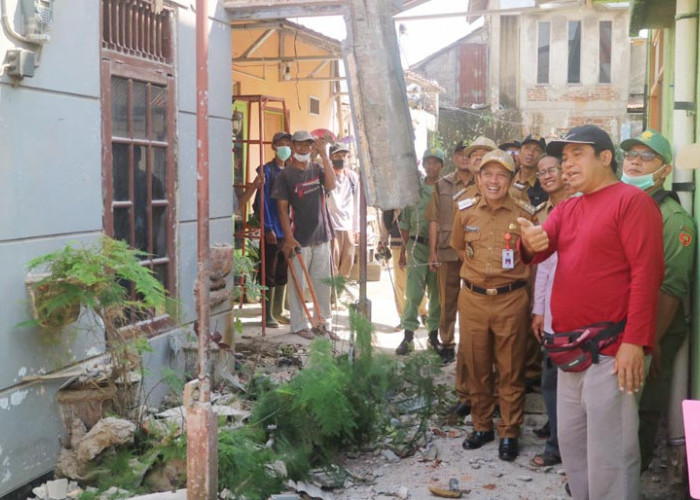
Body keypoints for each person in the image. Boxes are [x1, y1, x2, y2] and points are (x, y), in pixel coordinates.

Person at [518, 125, 665, 499]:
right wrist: (529, 240)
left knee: (611, 456)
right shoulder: (568, 207)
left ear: (604, 157)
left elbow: (647, 275)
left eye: (576, 155)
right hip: (568, 351)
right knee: (574, 448)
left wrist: (635, 342)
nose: (566, 165)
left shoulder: (632, 203)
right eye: (564, 158)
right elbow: (540, 247)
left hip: (611, 351)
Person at [451, 149, 538, 462]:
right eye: (487, 174)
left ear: (512, 180)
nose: (493, 180)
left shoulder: (525, 214)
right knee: (476, 365)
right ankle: (482, 425)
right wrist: (480, 278)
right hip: (472, 299)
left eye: (501, 175)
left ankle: (510, 431)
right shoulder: (464, 210)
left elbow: (533, 255)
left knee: (510, 369)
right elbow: (461, 248)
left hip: (510, 299)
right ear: (478, 178)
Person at [619, 130, 696, 472]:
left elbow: (669, 291)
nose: (634, 161)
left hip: (654, 331)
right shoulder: (621, 203)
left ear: (664, 171)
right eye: (631, 155)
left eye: (645, 157)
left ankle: (630, 478)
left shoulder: (673, 220)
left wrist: (651, 341)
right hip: (623, 328)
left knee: (641, 409)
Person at [272, 130, 336, 339]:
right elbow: (282, 209)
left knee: (323, 284)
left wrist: (325, 155)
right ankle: (299, 324)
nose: (303, 148)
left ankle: (322, 322)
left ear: (311, 147)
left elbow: (331, 185)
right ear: (293, 146)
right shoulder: (285, 175)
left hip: (322, 235)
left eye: (307, 145)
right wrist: (288, 238)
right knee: (298, 283)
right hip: (298, 238)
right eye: (299, 144)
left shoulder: (317, 169)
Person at [529, 155, 569, 468]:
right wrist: (538, 310)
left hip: (582, 317)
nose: (546, 176)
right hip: (552, 316)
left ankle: (570, 448)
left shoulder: (583, 205)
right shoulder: (544, 214)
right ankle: (556, 444)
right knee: (550, 382)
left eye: (551, 169)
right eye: (541, 173)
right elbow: (543, 265)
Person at [395, 147, 444, 355]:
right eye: (428, 162)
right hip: (416, 246)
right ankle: (408, 337)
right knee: (413, 293)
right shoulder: (414, 191)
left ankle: (434, 336)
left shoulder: (446, 189)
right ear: (423, 165)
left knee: (437, 294)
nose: (431, 166)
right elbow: (404, 222)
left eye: (436, 162)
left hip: (441, 249)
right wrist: (404, 251)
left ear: (442, 165)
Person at [252, 131, 292, 328]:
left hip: (288, 231)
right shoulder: (266, 171)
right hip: (273, 229)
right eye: (282, 144)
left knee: (283, 270)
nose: (286, 147)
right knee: (269, 270)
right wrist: (268, 227)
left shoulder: (291, 171)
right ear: (274, 146)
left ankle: (278, 310)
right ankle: (267, 313)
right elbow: (261, 203)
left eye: (288, 144)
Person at [379, 209, 428, 330]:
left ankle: (423, 312)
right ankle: (404, 316)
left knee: (420, 280)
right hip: (398, 241)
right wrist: (382, 241)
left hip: (418, 242)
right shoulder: (392, 198)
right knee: (400, 283)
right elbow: (386, 219)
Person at [327, 142, 360, 281]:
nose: (341, 159)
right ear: (331, 157)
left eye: (343, 155)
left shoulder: (352, 178)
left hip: (348, 226)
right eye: (337, 155)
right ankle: (331, 296)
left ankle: (338, 293)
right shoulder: (326, 176)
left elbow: (356, 203)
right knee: (331, 263)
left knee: (347, 262)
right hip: (331, 226)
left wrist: (356, 228)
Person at [510, 134, 548, 206]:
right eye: (527, 148)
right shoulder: (508, 177)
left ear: (542, 156)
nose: (530, 153)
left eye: (537, 150)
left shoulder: (544, 186)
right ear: (520, 152)